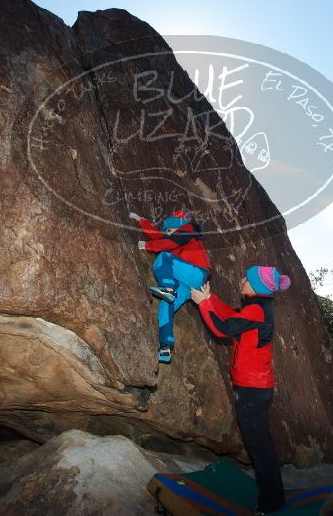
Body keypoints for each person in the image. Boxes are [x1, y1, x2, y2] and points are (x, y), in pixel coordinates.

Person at [190, 266, 291, 514]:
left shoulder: (256, 310)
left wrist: (203, 304)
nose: (241, 279)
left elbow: (222, 328)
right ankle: (274, 496)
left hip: (252, 389)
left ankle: (271, 503)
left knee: (259, 446)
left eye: (246, 277)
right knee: (261, 443)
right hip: (255, 386)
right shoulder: (256, 307)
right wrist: (210, 298)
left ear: (255, 285)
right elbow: (230, 317)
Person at [131, 209, 211, 363]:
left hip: (197, 272)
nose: (167, 233)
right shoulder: (175, 238)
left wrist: (147, 246)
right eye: (166, 230)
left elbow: (168, 241)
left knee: (164, 257)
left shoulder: (188, 229)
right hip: (190, 285)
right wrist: (141, 220)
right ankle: (165, 347)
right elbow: (159, 236)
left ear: (178, 226)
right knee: (166, 305)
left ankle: (167, 288)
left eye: (169, 229)